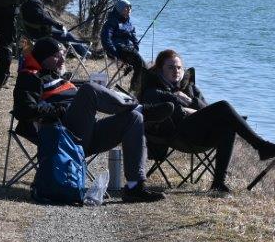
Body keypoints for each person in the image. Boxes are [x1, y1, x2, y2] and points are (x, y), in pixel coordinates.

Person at [13, 37, 170, 203]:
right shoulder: (30, 77)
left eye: (63, 55)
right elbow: (24, 110)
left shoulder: (55, 76)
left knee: (134, 118)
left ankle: (134, 187)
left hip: (85, 133)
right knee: (89, 90)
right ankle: (139, 107)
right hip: (63, 137)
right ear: (43, 57)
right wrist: (60, 109)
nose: (62, 59)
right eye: (57, 56)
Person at [139, 49, 275, 194]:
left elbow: (207, 109)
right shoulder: (154, 89)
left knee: (227, 126)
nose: (176, 71)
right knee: (223, 106)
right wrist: (186, 107)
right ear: (160, 69)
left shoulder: (189, 87)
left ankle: (218, 184)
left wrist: (190, 101)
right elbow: (172, 113)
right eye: (170, 67)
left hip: (199, 134)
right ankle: (261, 146)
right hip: (177, 135)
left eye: (179, 67)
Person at [21, 0, 91, 58]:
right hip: (40, 32)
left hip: (33, 30)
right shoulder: (34, 2)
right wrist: (57, 24)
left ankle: (84, 49)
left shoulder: (27, 1)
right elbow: (42, 17)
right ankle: (85, 53)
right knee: (67, 35)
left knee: (66, 33)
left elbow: (41, 16)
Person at [100, 0, 144, 72]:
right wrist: (115, 53)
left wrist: (136, 47)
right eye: (126, 7)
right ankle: (137, 78)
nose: (129, 9)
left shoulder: (129, 23)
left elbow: (134, 37)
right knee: (138, 62)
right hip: (117, 50)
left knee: (142, 64)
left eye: (130, 7)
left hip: (129, 50)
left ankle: (143, 77)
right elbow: (106, 39)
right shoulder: (111, 22)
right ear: (120, 9)